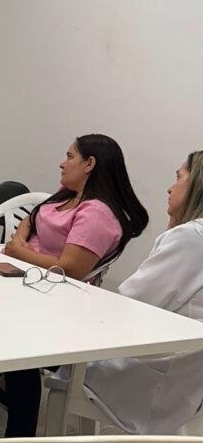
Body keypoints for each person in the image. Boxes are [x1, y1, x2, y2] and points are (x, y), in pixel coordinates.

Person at [0, 133, 149, 436]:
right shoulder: (67, 195)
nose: (62, 164)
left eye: (69, 156)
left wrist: (19, 251)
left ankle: (18, 431)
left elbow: (70, 270)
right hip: (26, 285)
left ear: (90, 163)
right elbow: (32, 218)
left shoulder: (97, 213)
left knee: (13, 342)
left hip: (57, 305)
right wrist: (21, 245)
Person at [81, 150, 203, 434]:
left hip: (151, 386)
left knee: (61, 357)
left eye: (178, 177)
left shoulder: (189, 239)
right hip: (188, 384)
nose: (169, 188)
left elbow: (130, 303)